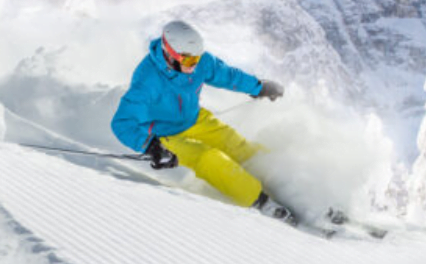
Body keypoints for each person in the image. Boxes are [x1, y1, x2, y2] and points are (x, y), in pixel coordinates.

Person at [111, 20, 294, 222]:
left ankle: (287, 185)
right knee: (208, 158)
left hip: (194, 119)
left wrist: (258, 87)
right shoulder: (148, 80)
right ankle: (261, 202)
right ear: (170, 55)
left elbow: (225, 75)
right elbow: (122, 122)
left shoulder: (198, 62)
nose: (195, 66)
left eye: (197, 59)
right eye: (189, 61)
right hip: (165, 134)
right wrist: (150, 146)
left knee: (237, 145)